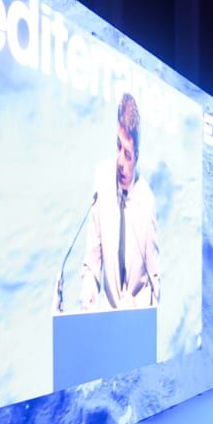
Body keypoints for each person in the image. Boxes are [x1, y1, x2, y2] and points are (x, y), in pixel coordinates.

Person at [76, 92, 160, 310]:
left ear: (137, 156)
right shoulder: (102, 178)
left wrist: (138, 305)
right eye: (117, 147)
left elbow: (155, 284)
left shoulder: (147, 201)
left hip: (136, 324)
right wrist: (88, 285)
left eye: (128, 154)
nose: (121, 162)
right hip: (105, 321)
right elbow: (92, 260)